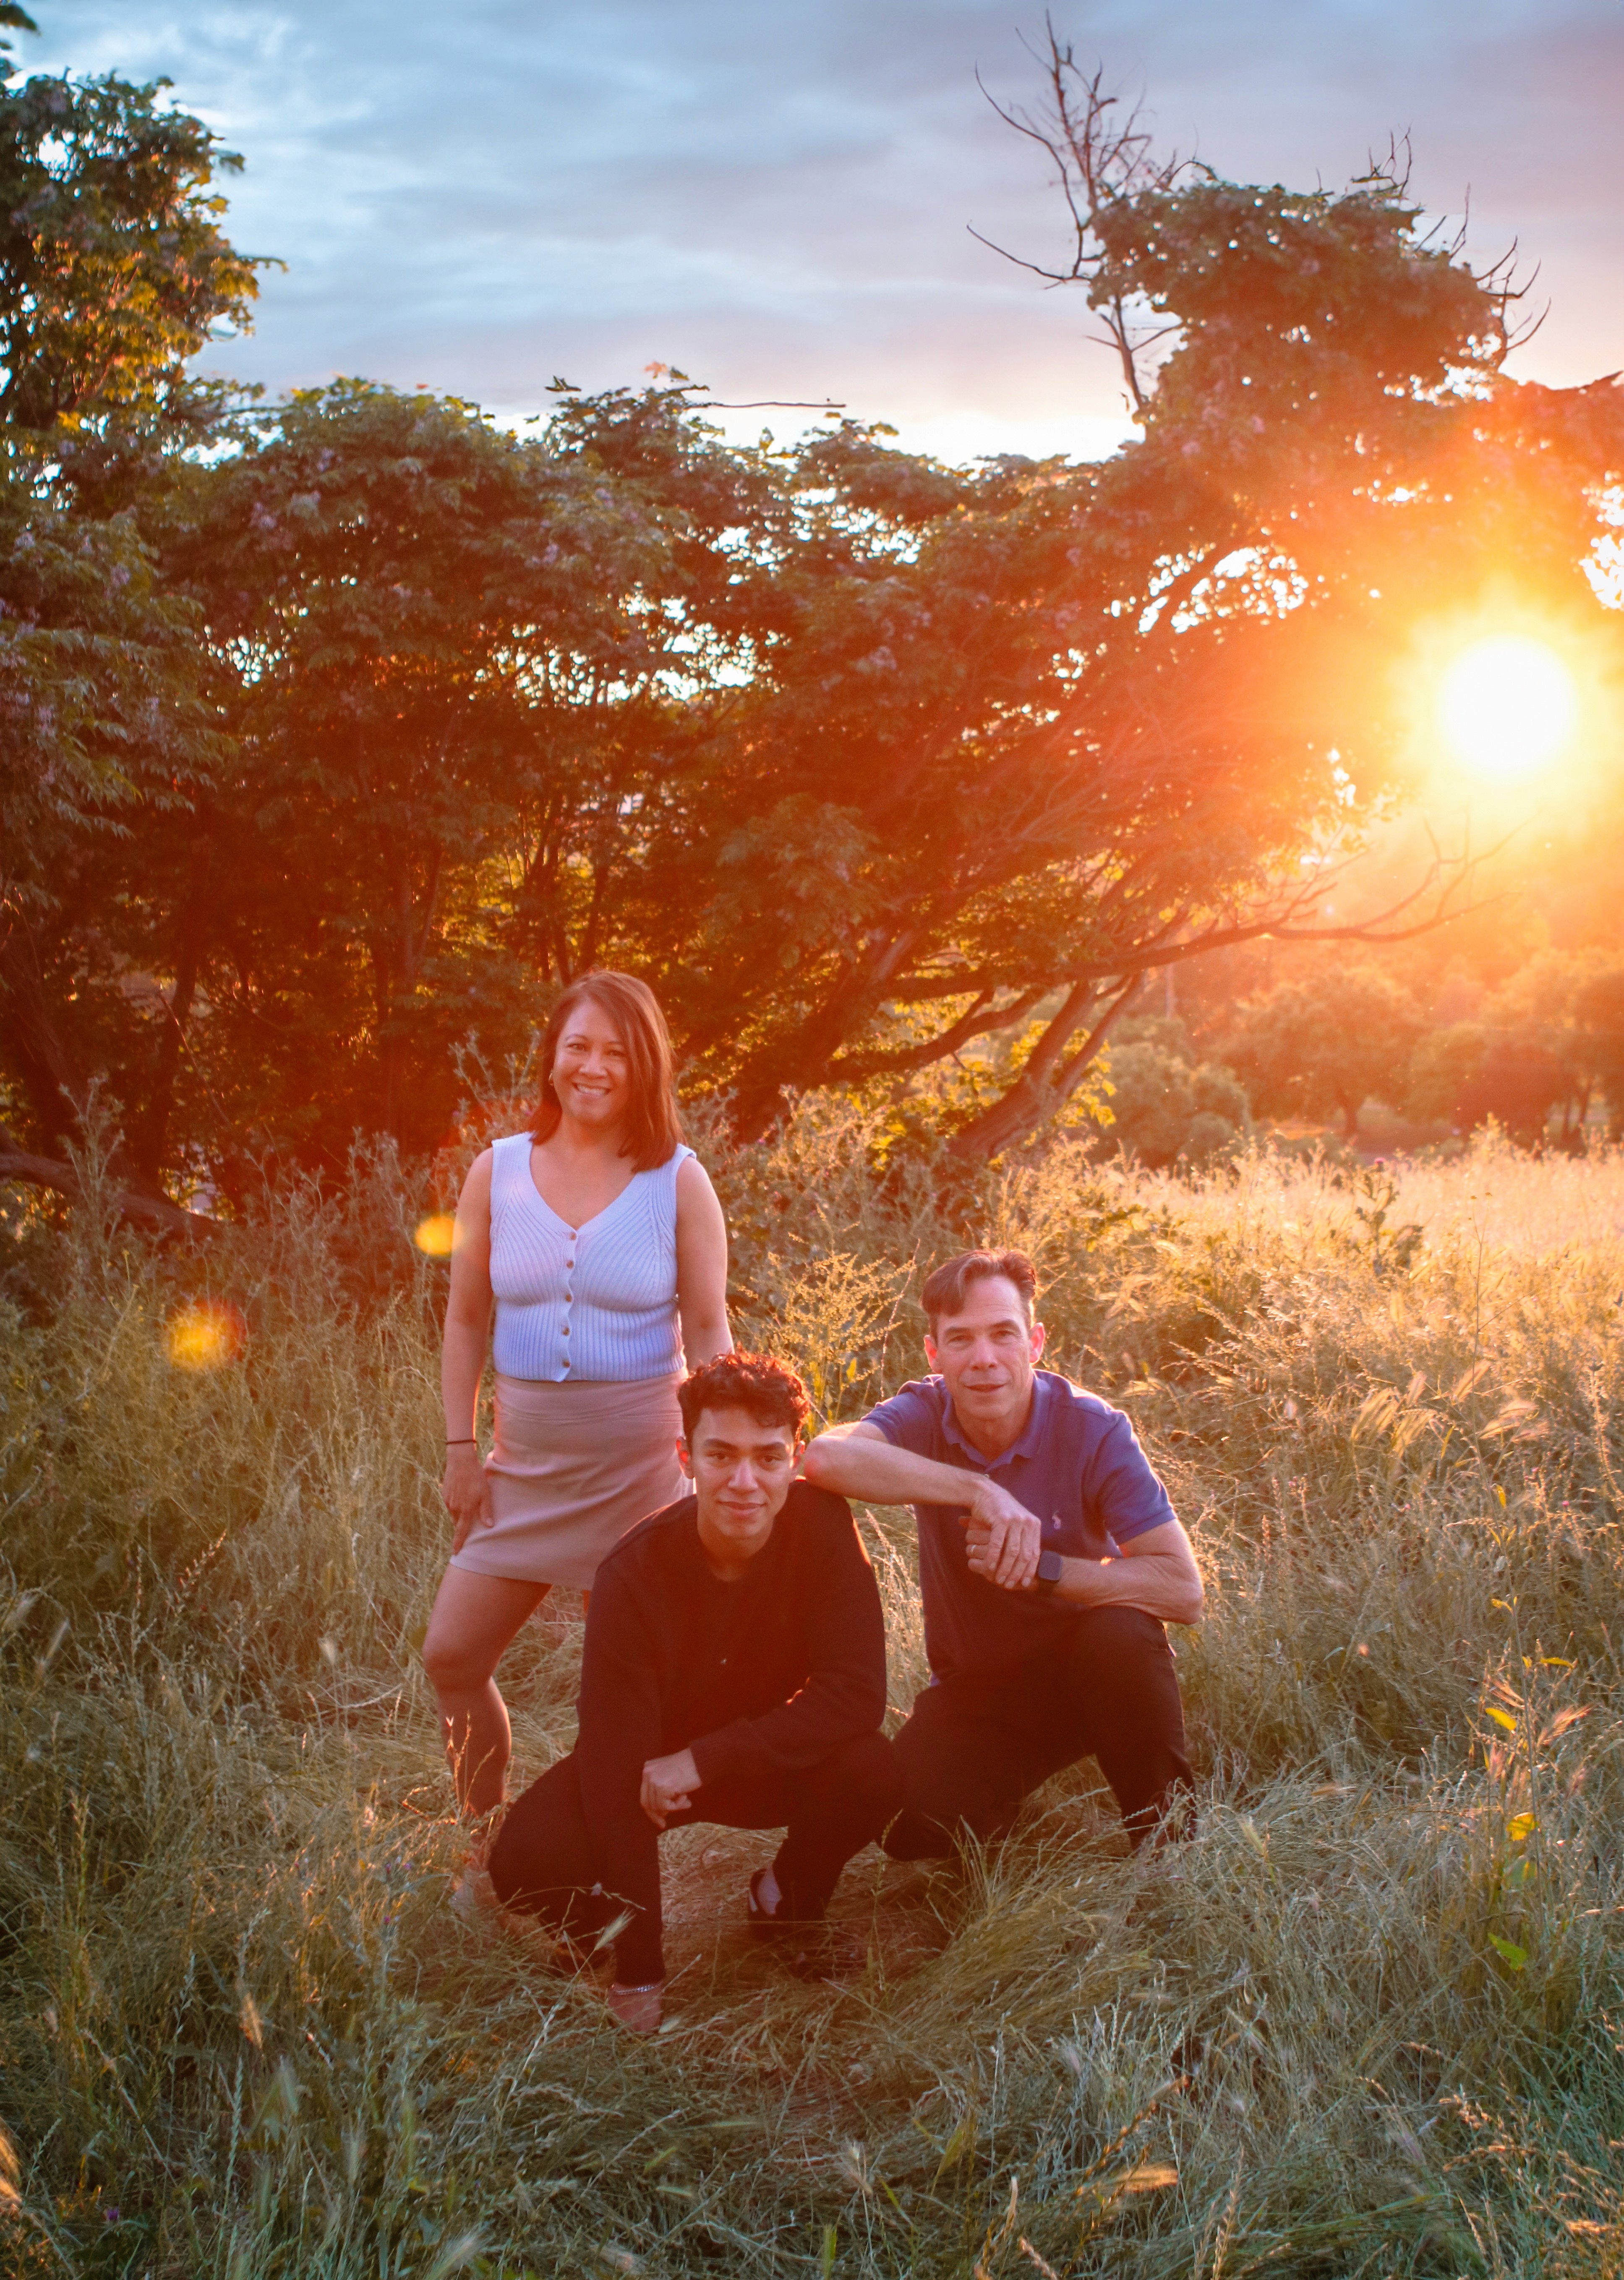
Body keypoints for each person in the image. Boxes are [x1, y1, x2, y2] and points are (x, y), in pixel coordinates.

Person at [487, 1351, 901, 2034]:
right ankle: (603, 1932)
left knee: (873, 1769)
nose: (744, 1482)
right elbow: (613, 1772)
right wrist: (641, 1972)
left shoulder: (824, 1526)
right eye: (721, 1455)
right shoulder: (631, 1574)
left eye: (768, 1458)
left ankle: (785, 1904)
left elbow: (856, 1695)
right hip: (647, 1776)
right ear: (687, 1457)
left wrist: (709, 1758)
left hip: (760, 1759)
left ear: (795, 1460)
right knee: (526, 1860)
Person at [422, 971, 731, 1875]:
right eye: (578, 1046)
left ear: (645, 1067)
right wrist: (460, 1450)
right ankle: (482, 1847)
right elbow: (465, 1321)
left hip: (642, 1473)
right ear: (552, 1057)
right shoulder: (496, 1170)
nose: (594, 1067)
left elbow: (708, 1327)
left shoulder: (678, 1180)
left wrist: (719, 1453)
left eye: (615, 1052)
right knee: (451, 1656)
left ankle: (607, 1865)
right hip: (523, 1468)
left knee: (620, 1695)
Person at [802, 1247, 1203, 1859]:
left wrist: (1045, 1571)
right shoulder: (923, 1410)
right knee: (904, 1825)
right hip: (980, 1688)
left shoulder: (1094, 1428)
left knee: (1122, 1634)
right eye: (960, 1339)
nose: (983, 1358)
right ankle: (1015, 1817)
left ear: (1035, 1342)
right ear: (934, 1354)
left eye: (1003, 1334)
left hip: (1092, 1669)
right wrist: (978, 1490)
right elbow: (825, 1458)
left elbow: (1182, 1590)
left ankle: (1169, 1848)